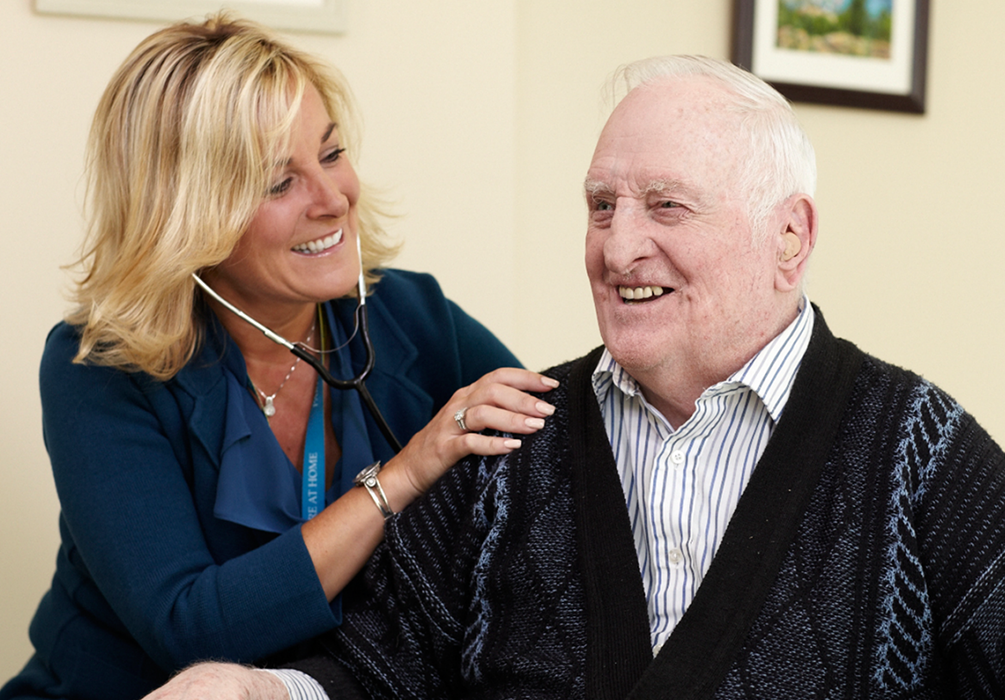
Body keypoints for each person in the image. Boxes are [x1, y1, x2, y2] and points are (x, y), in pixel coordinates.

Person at [143, 55, 1005, 700]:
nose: (617, 248)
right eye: (601, 206)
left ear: (790, 237)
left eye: (665, 206)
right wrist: (255, 691)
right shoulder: (509, 444)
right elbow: (375, 672)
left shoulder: (925, 457)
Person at [0, 14, 559, 700]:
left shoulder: (412, 315)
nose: (333, 199)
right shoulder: (101, 368)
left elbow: (560, 459)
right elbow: (190, 630)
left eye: (331, 153)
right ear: (186, 214)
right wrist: (403, 476)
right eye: (277, 183)